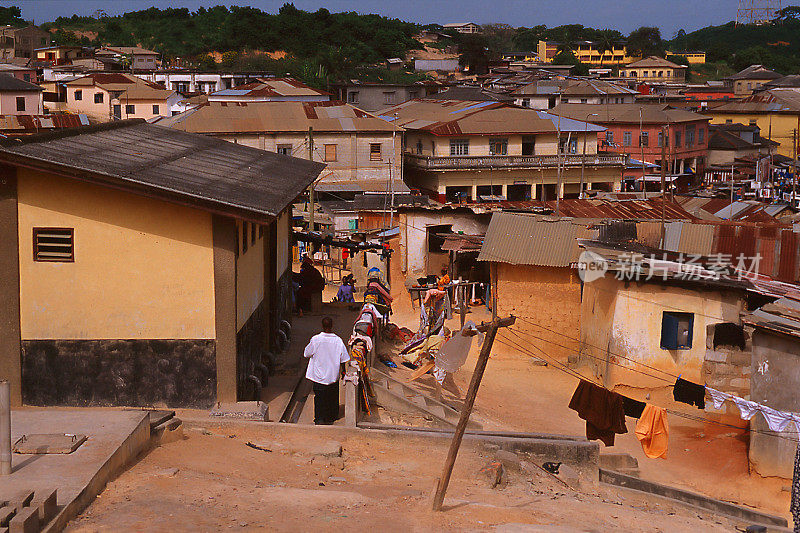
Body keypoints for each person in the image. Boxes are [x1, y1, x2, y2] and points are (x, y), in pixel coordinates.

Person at [303, 316, 349, 425]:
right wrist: (343, 371)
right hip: (333, 376)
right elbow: (344, 359)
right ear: (332, 326)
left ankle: (319, 418)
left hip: (318, 376)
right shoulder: (338, 340)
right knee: (332, 397)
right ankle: (331, 417)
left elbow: (306, 353)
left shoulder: (315, 339)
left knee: (319, 398)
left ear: (322, 326)